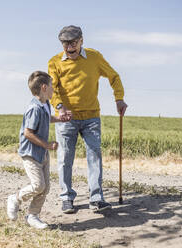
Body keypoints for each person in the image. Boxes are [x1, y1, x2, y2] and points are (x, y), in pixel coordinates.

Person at [48, 25, 128, 214]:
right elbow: (52, 89)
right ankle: (67, 197)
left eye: (73, 43)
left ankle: (96, 198)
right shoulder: (55, 62)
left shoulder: (94, 57)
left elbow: (114, 76)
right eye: (65, 44)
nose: (69, 48)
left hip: (91, 116)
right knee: (65, 158)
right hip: (67, 118)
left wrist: (119, 98)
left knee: (94, 156)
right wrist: (60, 107)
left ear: (81, 40)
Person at [7, 71, 66, 229]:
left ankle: (32, 215)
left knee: (45, 187)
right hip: (31, 154)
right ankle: (15, 198)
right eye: (52, 86)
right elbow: (28, 133)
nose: (54, 89)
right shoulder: (34, 108)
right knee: (38, 185)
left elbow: (46, 118)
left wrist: (59, 118)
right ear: (44, 87)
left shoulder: (45, 104)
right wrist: (47, 145)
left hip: (42, 153)